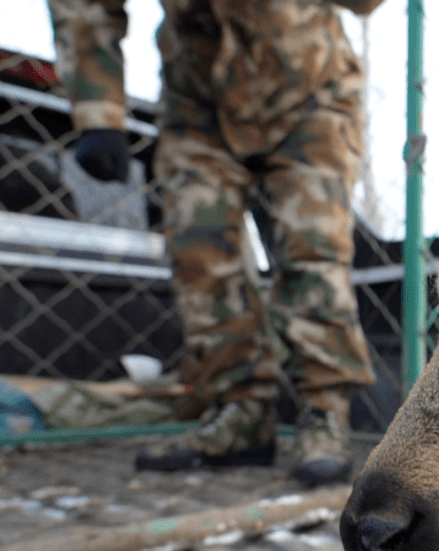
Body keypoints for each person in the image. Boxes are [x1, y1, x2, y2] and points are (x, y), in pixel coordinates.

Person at [47, 0, 386, 485]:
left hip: (308, 89)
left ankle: (325, 410)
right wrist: (99, 110)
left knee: (314, 250)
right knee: (199, 251)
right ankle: (240, 414)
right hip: (197, 97)